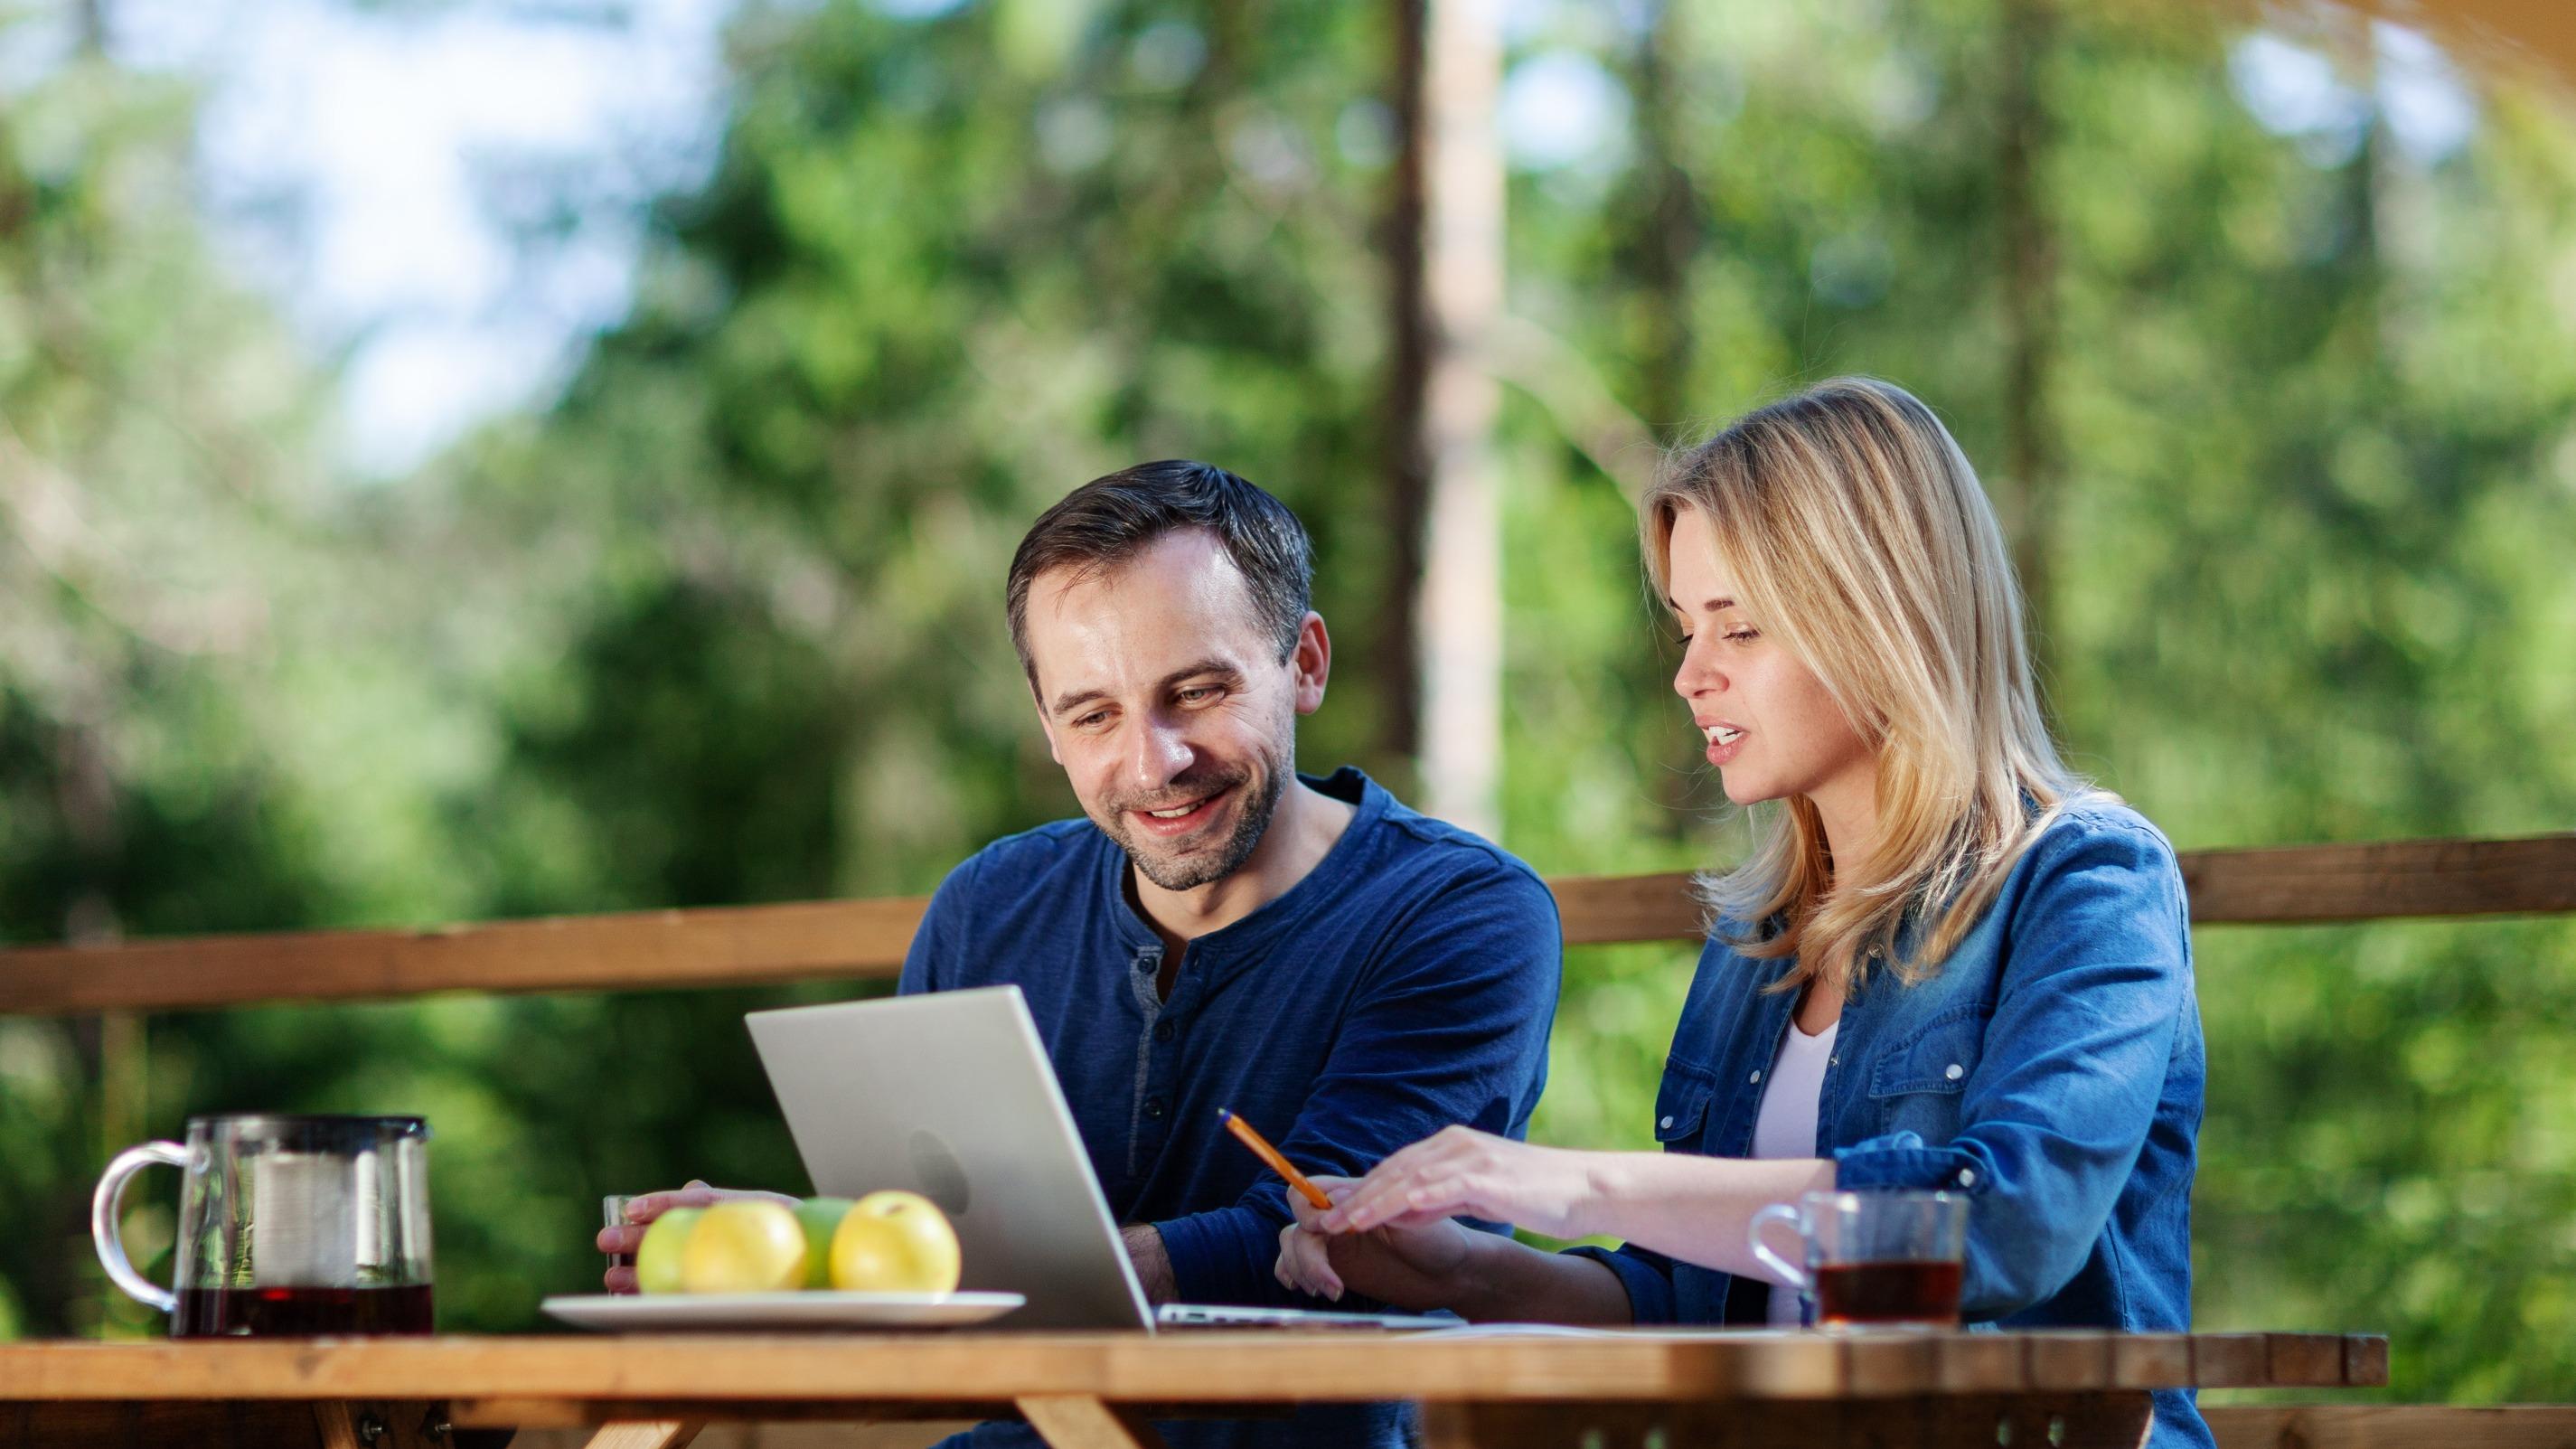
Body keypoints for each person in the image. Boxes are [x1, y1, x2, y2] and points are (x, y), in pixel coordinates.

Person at [1275, 379, 2211, 1448]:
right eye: (1686, 624)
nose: (1689, 674)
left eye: (1742, 627)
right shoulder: (1758, 934)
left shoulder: (2089, 883)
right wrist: (1471, 1267)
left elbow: (2009, 1222)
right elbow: (1687, 1300)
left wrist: (1582, 1184)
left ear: (1885, 614)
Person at [602, 460, 1562, 1449]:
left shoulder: (1462, 913)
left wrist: (880, 1261)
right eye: (1093, 713)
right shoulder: (987, 909)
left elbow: (1321, 1243)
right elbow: (931, 1234)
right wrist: (801, 1248)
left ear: (1306, 663)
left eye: (1194, 692)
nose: (1153, 764)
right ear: (1047, 727)